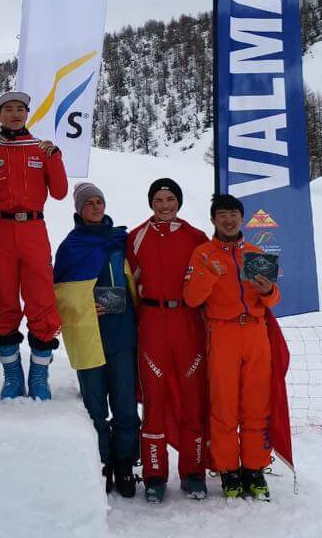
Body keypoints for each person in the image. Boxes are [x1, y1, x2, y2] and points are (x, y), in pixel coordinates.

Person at [184, 193, 281, 501]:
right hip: (223, 333)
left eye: (233, 215)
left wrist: (269, 292)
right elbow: (191, 298)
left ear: (242, 219)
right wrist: (208, 274)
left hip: (255, 333)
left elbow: (273, 300)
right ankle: (228, 470)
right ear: (213, 220)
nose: (228, 220)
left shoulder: (254, 252)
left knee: (256, 405)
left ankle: (255, 468)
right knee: (224, 405)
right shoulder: (202, 253)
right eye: (222, 215)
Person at [0, 91, 67, 401]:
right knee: (3, 298)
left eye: (20, 109)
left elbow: (60, 192)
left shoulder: (41, 148)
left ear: (27, 114)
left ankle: (39, 374)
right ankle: (12, 375)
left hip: (33, 229)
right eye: (8, 109)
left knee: (41, 298)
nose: (15, 114)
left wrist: (55, 158)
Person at [53, 182, 140, 498]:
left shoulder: (121, 241)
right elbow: (62, 294)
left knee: (126, 405)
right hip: (89, 335)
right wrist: (84, 304)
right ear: (78, 209)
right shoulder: (71, 247)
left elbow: (138, 279)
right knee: (94, 407)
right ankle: (101, 464)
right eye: (88, 202)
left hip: (123, 334)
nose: (94, 206)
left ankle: (125, 464)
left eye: (98, 200)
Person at [126, 177, 209, 503]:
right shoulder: (136, 238)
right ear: (151, 202)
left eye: (170, 199)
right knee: (154, 403)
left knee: (193, 401)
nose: (165, 206)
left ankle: (193, 473)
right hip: (152, 324)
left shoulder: (195, 238)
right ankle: (155, 475)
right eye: (159, 200)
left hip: (187, 323)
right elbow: (128, 285)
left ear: (179, 201)